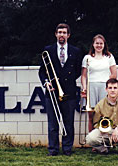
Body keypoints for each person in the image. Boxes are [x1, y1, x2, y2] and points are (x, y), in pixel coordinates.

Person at [38, 23, 82, 156]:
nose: (61, 35)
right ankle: (53, 149)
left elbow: (78, 71)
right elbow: (42, 72)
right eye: (59, 32)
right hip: (52, 92)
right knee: (53, 123)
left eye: (64, 33)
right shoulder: (48, 50)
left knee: (68, 122)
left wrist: (66, 81)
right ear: (56, 34)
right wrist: (46, 83)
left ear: (68, 35)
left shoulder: (76, 51)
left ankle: (67, 149)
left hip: (69, 91)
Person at [81, 34, 117, 132]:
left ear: (104, 45)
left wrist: (108, 87)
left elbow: (114, 74)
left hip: (104, 88)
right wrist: (84, 88)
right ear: (93, 44)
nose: (99, 45)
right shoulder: (87, 58)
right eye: (97, 43)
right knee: (91, 115)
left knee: (105, 115)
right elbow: (84, 75)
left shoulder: (109, 57)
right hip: (91, 87)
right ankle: (93, 141)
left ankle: (105, 139)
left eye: (101, 43)